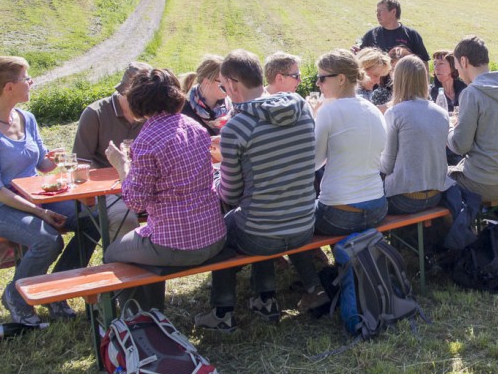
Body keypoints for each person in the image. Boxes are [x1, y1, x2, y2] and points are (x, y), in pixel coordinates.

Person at [194, 50, 325, 332]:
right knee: (260, 211)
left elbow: (230, 195)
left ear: (232, 84)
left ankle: (223, 311)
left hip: (263, 233)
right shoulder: (302, 109)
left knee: (223, 228)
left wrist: (216, 181)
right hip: (304, 224)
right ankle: (266, 297)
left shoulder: (238, 127)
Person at [0, 56, 81, 325]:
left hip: (36, 198)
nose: (32, 82)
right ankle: (15, 296)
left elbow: (41, 165)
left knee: (92, 219)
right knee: (48, 239)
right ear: (9, 87)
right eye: (26, 78)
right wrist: (39, 213)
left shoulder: (26, 118)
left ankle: (57, 289)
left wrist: (55, 159)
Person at [103, 68, 226, 310]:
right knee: (144, 240)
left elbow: (135, 203)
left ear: (138, 101)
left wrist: (121, 166)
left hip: (176, 246)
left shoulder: (147, 140)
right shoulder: (195, 127)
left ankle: (136, 316)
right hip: (214, 235)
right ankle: (151, 310)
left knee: (112, 253)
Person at [72, 61, 150, 246]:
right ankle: (123, 268)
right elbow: (80, 162)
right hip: (107, 189)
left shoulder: (150, 114)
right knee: (125, 219)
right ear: (125, 93)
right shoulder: (95, 113)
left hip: (145, 182)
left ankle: (155, 268)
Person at [313, 49, 388, 235]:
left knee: (292, 223)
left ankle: (312, 265)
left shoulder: (328, 112)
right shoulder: (374, 110)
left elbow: (315, 162)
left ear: (340, 79)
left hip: (337, 213)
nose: (317, 83)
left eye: (322, 78)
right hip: (377, 208)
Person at [447, 36, 498, 208]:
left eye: (457, 67)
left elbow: (460, 146)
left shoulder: (472, 93)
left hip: (482, 182)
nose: (458, 74)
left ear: (464, 61)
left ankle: (458, 232)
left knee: (435, 181)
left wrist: (449, 128)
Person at [380, 55, 453, 214]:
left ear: (398, 79)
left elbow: (386, 165)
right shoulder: (442, 113)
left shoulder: (395, 113)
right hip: (436, 195)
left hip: (403, 197)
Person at [358, 0, 430, 63]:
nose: (378, 14)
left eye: (381, 10)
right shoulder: (371, 35)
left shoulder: (411, 35)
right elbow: (360, 59)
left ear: (393, 12)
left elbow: (423, 61)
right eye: (377, 11)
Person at [180, 54, 229, 135]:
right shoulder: (184, 110)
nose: (230, 86)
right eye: (224, 81)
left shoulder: (231, 106)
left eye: (231, 80)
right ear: (207, 82)